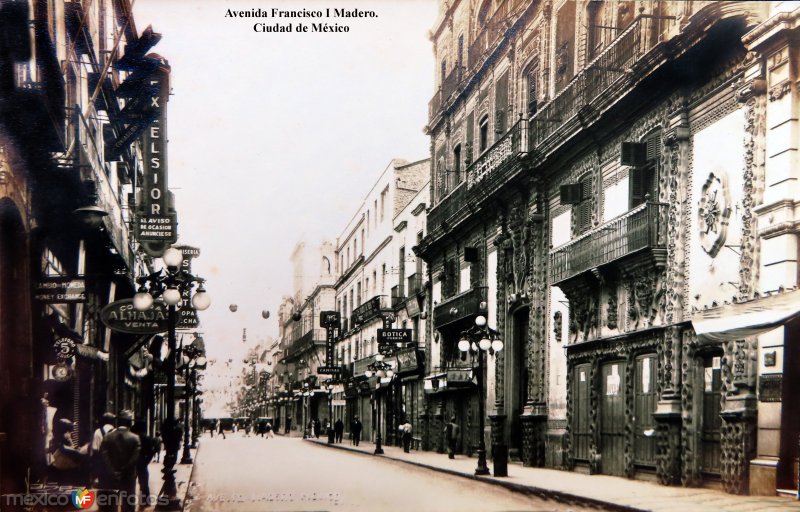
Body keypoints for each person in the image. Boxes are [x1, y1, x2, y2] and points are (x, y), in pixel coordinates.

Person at [98, 410, 140, 512]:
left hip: (110, 476)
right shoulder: (135, 438)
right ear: (130, 423)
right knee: (128, 503)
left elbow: (104, 456)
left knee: (110, 504)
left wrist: (113, 471)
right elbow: (134, 458)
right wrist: (124, 470)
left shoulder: (108, 437)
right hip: (128, 476)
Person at [131, 421, 155, 507]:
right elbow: (151, 452)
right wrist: (146, 462)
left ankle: (131, 501)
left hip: (132, 463)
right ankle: (145, 502)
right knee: (144, 484)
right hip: (142, 462)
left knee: (131, 483)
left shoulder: (132, 438)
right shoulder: (146, 438)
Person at [90, 413, 115, 485]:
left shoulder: (97, 431)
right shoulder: (116, 431)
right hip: (113, 463)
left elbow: (94, 449)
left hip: (101, 463)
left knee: (102, 484)